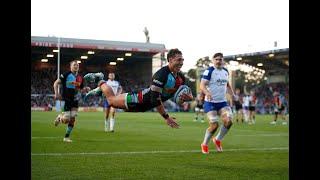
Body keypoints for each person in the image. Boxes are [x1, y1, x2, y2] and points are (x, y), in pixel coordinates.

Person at [84, 48, 193, 128]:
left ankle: (101, 91)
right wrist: (166, 117)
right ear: (170, 59)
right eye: (179, 60)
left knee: (115, 101)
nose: (181, 63)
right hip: (139, 99)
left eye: (182, 60)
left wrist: (189, 97)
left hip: (144, 107)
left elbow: (181, 92)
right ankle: (100, 79)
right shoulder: (161, 74)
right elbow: (155, 99)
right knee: (111, 101)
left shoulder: (181, 77)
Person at [199, 52, 235, 154]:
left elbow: (227, 84)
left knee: (229, 121)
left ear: (223, 60)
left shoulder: (225, 71)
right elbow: (202, 85)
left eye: (220, 59)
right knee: (214, 125)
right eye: (217, 59)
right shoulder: (209, 71)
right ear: (213, 60)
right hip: (210, 103)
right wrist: (207, 92)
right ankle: (205, 144)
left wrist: (232, 95)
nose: (219, 61)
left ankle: (217, 140)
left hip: (222, 102)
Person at [53, 60, 90, 142]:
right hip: (66, 99)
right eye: (74, 65)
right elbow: (56, 83)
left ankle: (66, 137)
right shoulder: (66, 75)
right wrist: (56, 93)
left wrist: (85, 89)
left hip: (75, 100)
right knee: (66, 120)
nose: (76, 66)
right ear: (70, 66)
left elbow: (81, 89)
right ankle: (60, 117)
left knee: (73, 118)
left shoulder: (80, 77)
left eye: (77, 65)